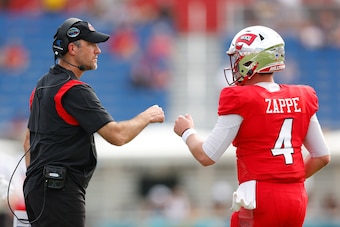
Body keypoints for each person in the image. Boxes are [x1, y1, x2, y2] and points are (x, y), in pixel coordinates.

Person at [173, 25, 330, 227]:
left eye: (238, 58)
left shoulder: (241, 98)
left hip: (260, 197)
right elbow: (322, 156)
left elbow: (207, 155)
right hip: (296, 197)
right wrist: (287, 178)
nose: (235, 64)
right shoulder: (302, 96)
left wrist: (187, 132)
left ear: (253, 59)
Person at [23, 17, 165, 227]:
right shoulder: (73, 90)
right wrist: (148, 116)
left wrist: (36, 179)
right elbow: (117, 135)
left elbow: (28, 141)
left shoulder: (41, 86)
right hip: (60, 190)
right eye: (91, 44)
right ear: (72, 48)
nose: (98, 50)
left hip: (37, 190)